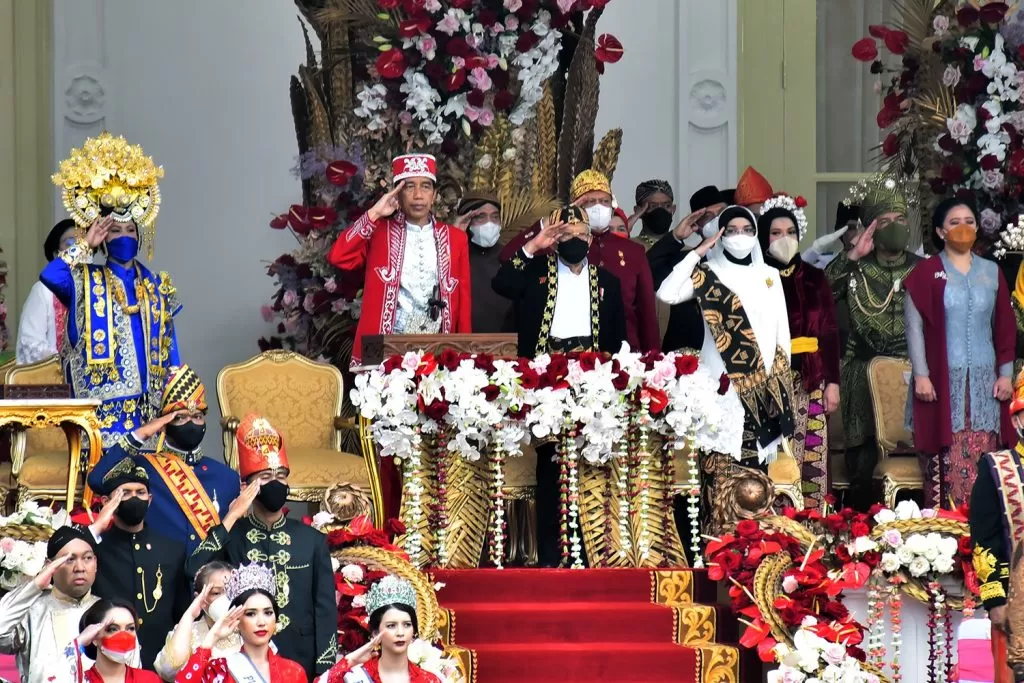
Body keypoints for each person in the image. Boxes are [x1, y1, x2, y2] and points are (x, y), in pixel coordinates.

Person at [492, 206, 627, 567]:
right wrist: (534, 245)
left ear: (590, 239)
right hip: (546, 379)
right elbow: (501, 284)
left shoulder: (607, 281)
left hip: (593, 378)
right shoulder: (536, 272)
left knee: (592, 461)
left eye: (580, 236)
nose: (574, 242)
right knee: (552, 463)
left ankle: (591, 553)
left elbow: (617, 337)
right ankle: (552, 554)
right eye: (565, 236)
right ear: (555, 240)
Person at [44, 132, 181, 447]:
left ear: (140, 235)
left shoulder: (157, 285)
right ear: (103, 238)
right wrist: (84, 245)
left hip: (150, 407)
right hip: (100, 414)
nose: (124, 236)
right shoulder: (83, 280)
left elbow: (172, 347)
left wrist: (177, 395)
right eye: (115, 230)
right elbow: (51, 275)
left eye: (130, 229)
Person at [187, 415, 336, 680]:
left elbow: (325, 612)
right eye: (266, 476)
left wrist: (325, 672)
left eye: (281, 475)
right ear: (247, 486)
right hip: (243, 663)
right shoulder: (232, 537)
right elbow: (193, 568)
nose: (275, 482)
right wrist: (232, 517)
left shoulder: (312, 540)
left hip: (300, 660)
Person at [657, 205, 793, 464]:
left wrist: (780, 387)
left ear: (755, 234)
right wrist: (697, 253)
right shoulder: (708, 273)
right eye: (731, 230)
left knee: (756, 479)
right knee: (720, 467)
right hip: (721, 383)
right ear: (720, 234)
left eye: (746, 229)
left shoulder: (770, 275)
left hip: (763, 385)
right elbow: (666, 294)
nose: (739, 236)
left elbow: (781, 335)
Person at [905, 198, 1016, 509]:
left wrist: (1006, 375)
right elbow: (914, 328)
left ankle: (985, 543)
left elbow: (1005, 329)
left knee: (987, 460)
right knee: (945, 464)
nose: (963, 228)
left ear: (978, 228)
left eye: (969, 221)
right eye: (955, 222)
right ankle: (949, 540)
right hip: (942, 382)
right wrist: (922, 375)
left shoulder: (992, 272)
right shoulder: (925, 273)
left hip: (986, 384)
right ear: (941, 231)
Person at [825, 176, 920, 511]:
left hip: (915, 371)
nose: (894, 228)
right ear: (871, 229)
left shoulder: (923, 269)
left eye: (900, 221)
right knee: (864, 463)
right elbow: (820, 296)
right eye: (885, 222)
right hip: (861, 372)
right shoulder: (854, 269)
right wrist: (853, 255)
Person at [328, 153, 472, 368]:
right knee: (380, 400)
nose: (417, 195)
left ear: (434, 195)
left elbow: (463, 298)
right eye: (408, 187)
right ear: (397, 194)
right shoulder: (378, 232)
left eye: (425, 187)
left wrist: (464, 355)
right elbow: (339, 256)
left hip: (439, 344)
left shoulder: (455, 238)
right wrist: (375, 213)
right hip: (381, 345)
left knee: (434, 401)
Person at [500, 170, 660, 352]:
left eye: (605, 201)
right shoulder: (556, 245)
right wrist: (553, 221)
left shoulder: (633, 251)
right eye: (590, 201)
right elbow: (507, 260)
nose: (599, 207)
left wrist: (651, 358)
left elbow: (646, 313)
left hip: (616, 356)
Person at [88, 365, 240, 553]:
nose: (191, 423)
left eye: (197, 416)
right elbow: (97, 479)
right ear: (164, 424)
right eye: (180, 418)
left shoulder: (226, 477)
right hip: (160, 574)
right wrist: (143, 433)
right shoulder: (144, 467)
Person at [758, 196, 841, 510]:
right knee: (775, 454)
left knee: (812, 452)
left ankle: (813, 522)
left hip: (812, 376)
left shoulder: (816, 278)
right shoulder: (757, 277)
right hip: (768, 380)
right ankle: (772, 524)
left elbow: (830, 332)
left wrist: (832, 382)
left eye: (790, 232)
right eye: (776, 233)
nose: (784, 239)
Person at [88, 458, 190, 669]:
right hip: (110, 664)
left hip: (160, 664)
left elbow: (181, 614)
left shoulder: (172, 549)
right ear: (107, 501)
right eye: (125, 493)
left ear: (150, 499)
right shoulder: (94, 550)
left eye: (140, 492)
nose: (134, 498)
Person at [969, 372, 1024, 683]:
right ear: (1016, 420)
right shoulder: (995, 469)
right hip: (1015, 606)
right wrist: (995, 600)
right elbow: (985, 539)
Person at [0, 525, 100, 683]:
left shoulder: (110, 613)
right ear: (50, 565)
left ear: (95, 563)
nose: (80, 568)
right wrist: (36, 585)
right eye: (69, 559)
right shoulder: (32, 610)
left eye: (87, 558)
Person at [175, 563, 306, 683]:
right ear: (237, 620)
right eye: (250, 614)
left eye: (268, 612)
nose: (261, 622)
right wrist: (212, 637)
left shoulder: (294, 672)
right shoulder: (220, 669)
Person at [647, 185, 728, 353]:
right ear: (697, 225)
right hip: (690, 361)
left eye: (721, 212)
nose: (717, 219)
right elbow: (649, 271)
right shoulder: (685, 261)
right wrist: (676, 236)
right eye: (708, 216)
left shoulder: (750, 260)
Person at [318, 575, 442, 683]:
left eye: (407, 625)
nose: (400, 633)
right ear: (375, 632)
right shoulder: (356, 677)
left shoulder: (429, 680)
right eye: (391, 626)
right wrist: (350, 661)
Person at [153, 562, 241, 681]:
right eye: (216, 593)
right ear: (199, 597)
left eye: (231, 591)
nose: (226, 598)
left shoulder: (247, 630)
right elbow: (168, 671)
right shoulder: (188, 631)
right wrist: (190, 615)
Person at [47, 598, 157, 683]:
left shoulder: (149, 679)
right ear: (94, 637)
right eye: (113, 629)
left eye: (130, 628)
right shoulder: (80, 680)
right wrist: (79, 641)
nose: (124, 636)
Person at [15, 219, 80, 365]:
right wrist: (71, 366)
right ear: (57, 252)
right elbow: (30, 344)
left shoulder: (96, 288)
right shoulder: (43, 290)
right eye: (70, 243)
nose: (79, 249)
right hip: (55, 378)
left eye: (84, 242)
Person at [454, 192, 511, 333]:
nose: (489, 223)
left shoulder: (510, 256)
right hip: (462, 346)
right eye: (481, 217)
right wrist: (454, 236)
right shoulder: (453, 255)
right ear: (467, 221)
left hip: (506, 346)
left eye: (495, 217)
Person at [803, 203, 860, 270]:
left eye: (863, 228)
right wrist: (814, 251)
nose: (858, 233)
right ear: (841, 232)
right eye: (851, 228)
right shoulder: (827, 261)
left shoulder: (873, 263)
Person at [629, 179, 676, 251]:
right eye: (653, 206)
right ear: (638, 211)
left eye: (667, 206)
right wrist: (627, 227)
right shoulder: (628, 248)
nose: (660, 210)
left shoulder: (686, 251)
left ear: (673, 209)